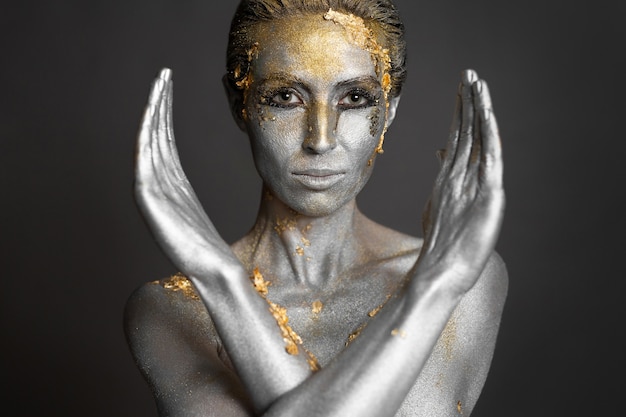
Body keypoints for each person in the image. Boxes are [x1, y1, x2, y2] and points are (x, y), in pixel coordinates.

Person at [124, 1, 507, 416]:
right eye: (285, 97)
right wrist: (221, 278)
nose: (321, 140)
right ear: (242, 105)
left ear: (389, 110)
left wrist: (436, 283)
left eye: (355, 97)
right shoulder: (173, 310)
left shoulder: (466, 277)